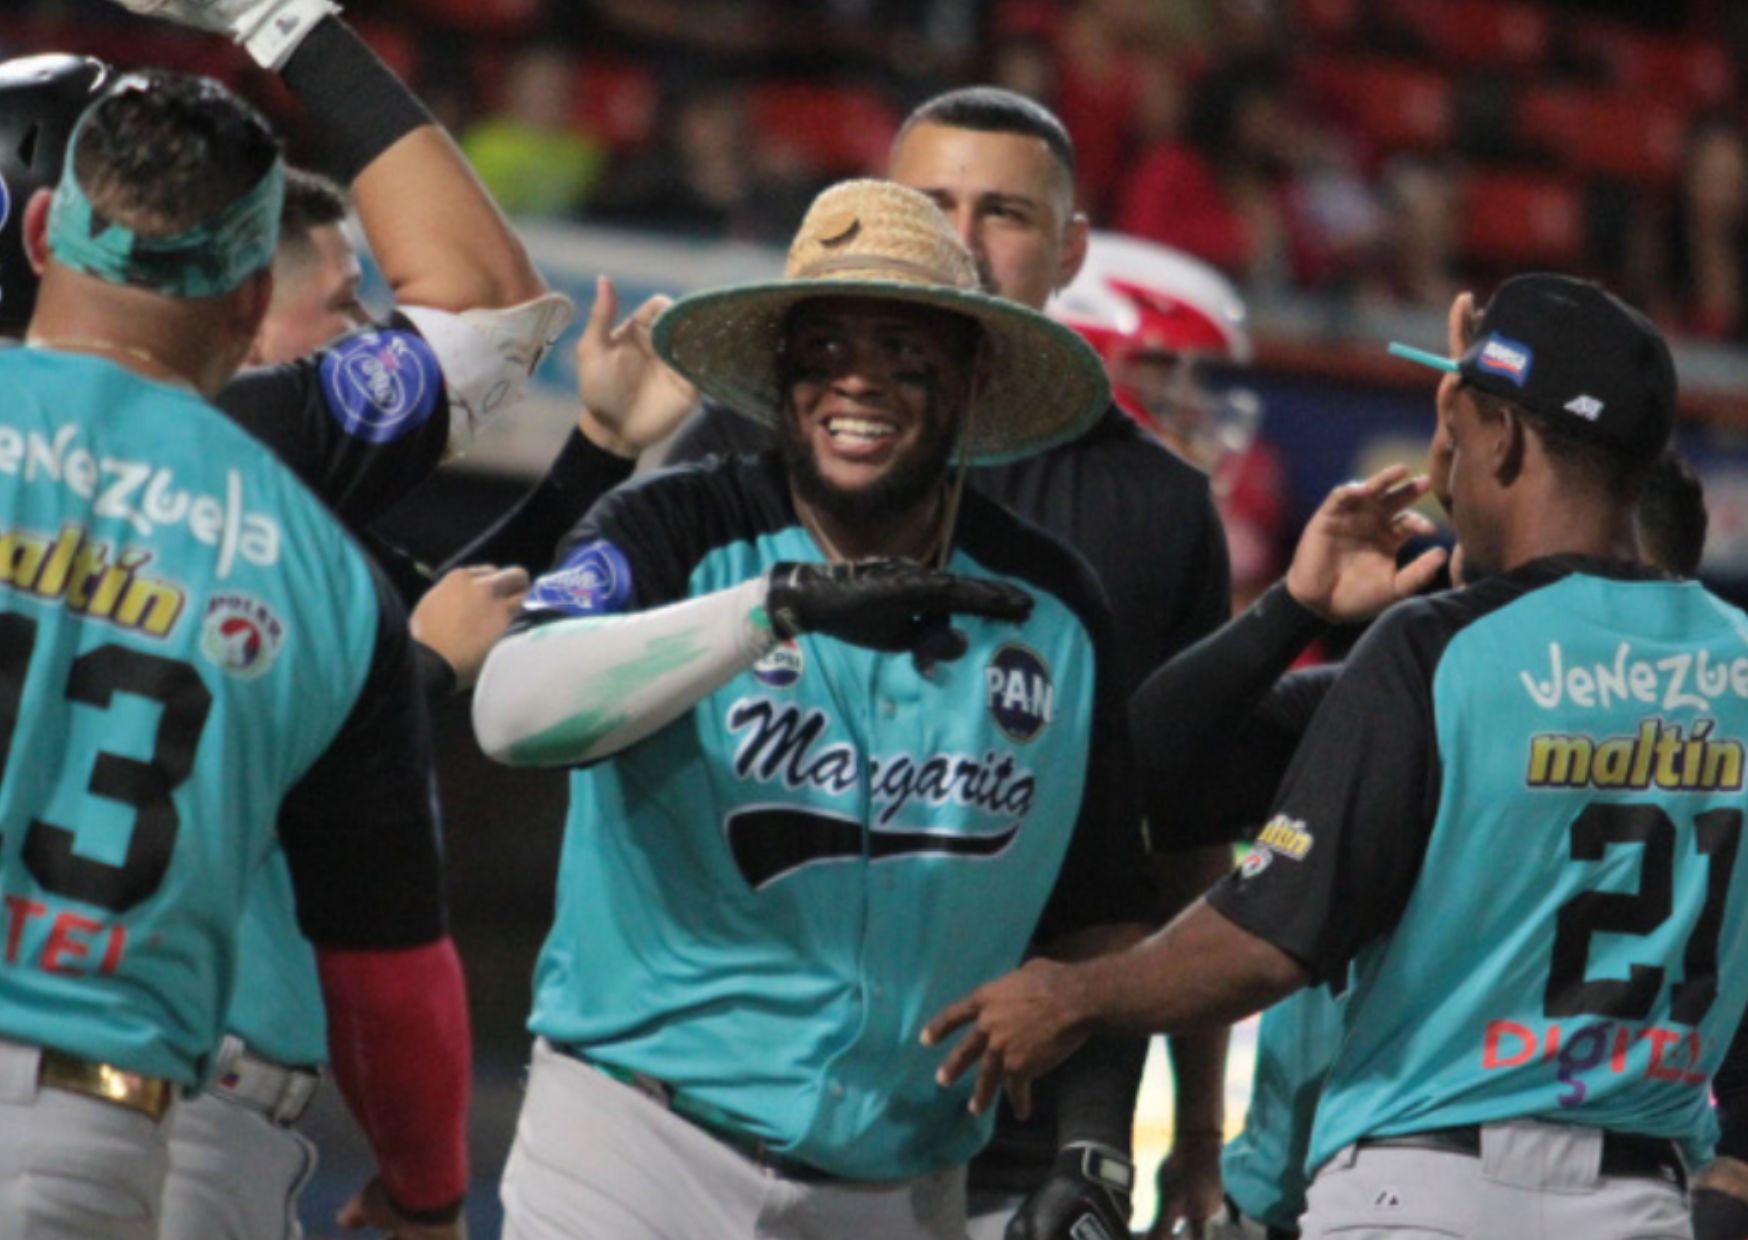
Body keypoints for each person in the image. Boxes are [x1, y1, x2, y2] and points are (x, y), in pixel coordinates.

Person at [929, 273, 1740, 1238]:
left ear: (1502, 438)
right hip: (1643, 1202)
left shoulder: (1441, 650)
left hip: (1431, 1188)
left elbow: (1262, 937)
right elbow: (1159, 773)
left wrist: (1074, 995)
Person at [471, 177, 1154, 1240]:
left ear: (971, 378)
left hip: (898, 1187)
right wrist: (771, 608)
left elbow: (1102, 907)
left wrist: (1093, 1144)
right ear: (780, 378)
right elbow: (508, 711)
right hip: (632, 1151)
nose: (857, 383)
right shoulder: (674, 527)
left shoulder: (1055, 607)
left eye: (901, 352)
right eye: (822, 350)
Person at [649, 85, 1236, 1238]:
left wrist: (1185, 1136)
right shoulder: (741, 443)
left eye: (1003, 213)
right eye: (929, 202)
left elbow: (1173, 850)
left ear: (1070, 249)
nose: (959, 240)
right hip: (717, 1095)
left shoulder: (1160, 511)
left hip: (1013, 1123)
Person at [0, 69, 467, 1239]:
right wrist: (427, 1190)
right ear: (256, 296)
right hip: (82, 1126)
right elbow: (388, 972)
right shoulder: (320, 569)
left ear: (46, 229)